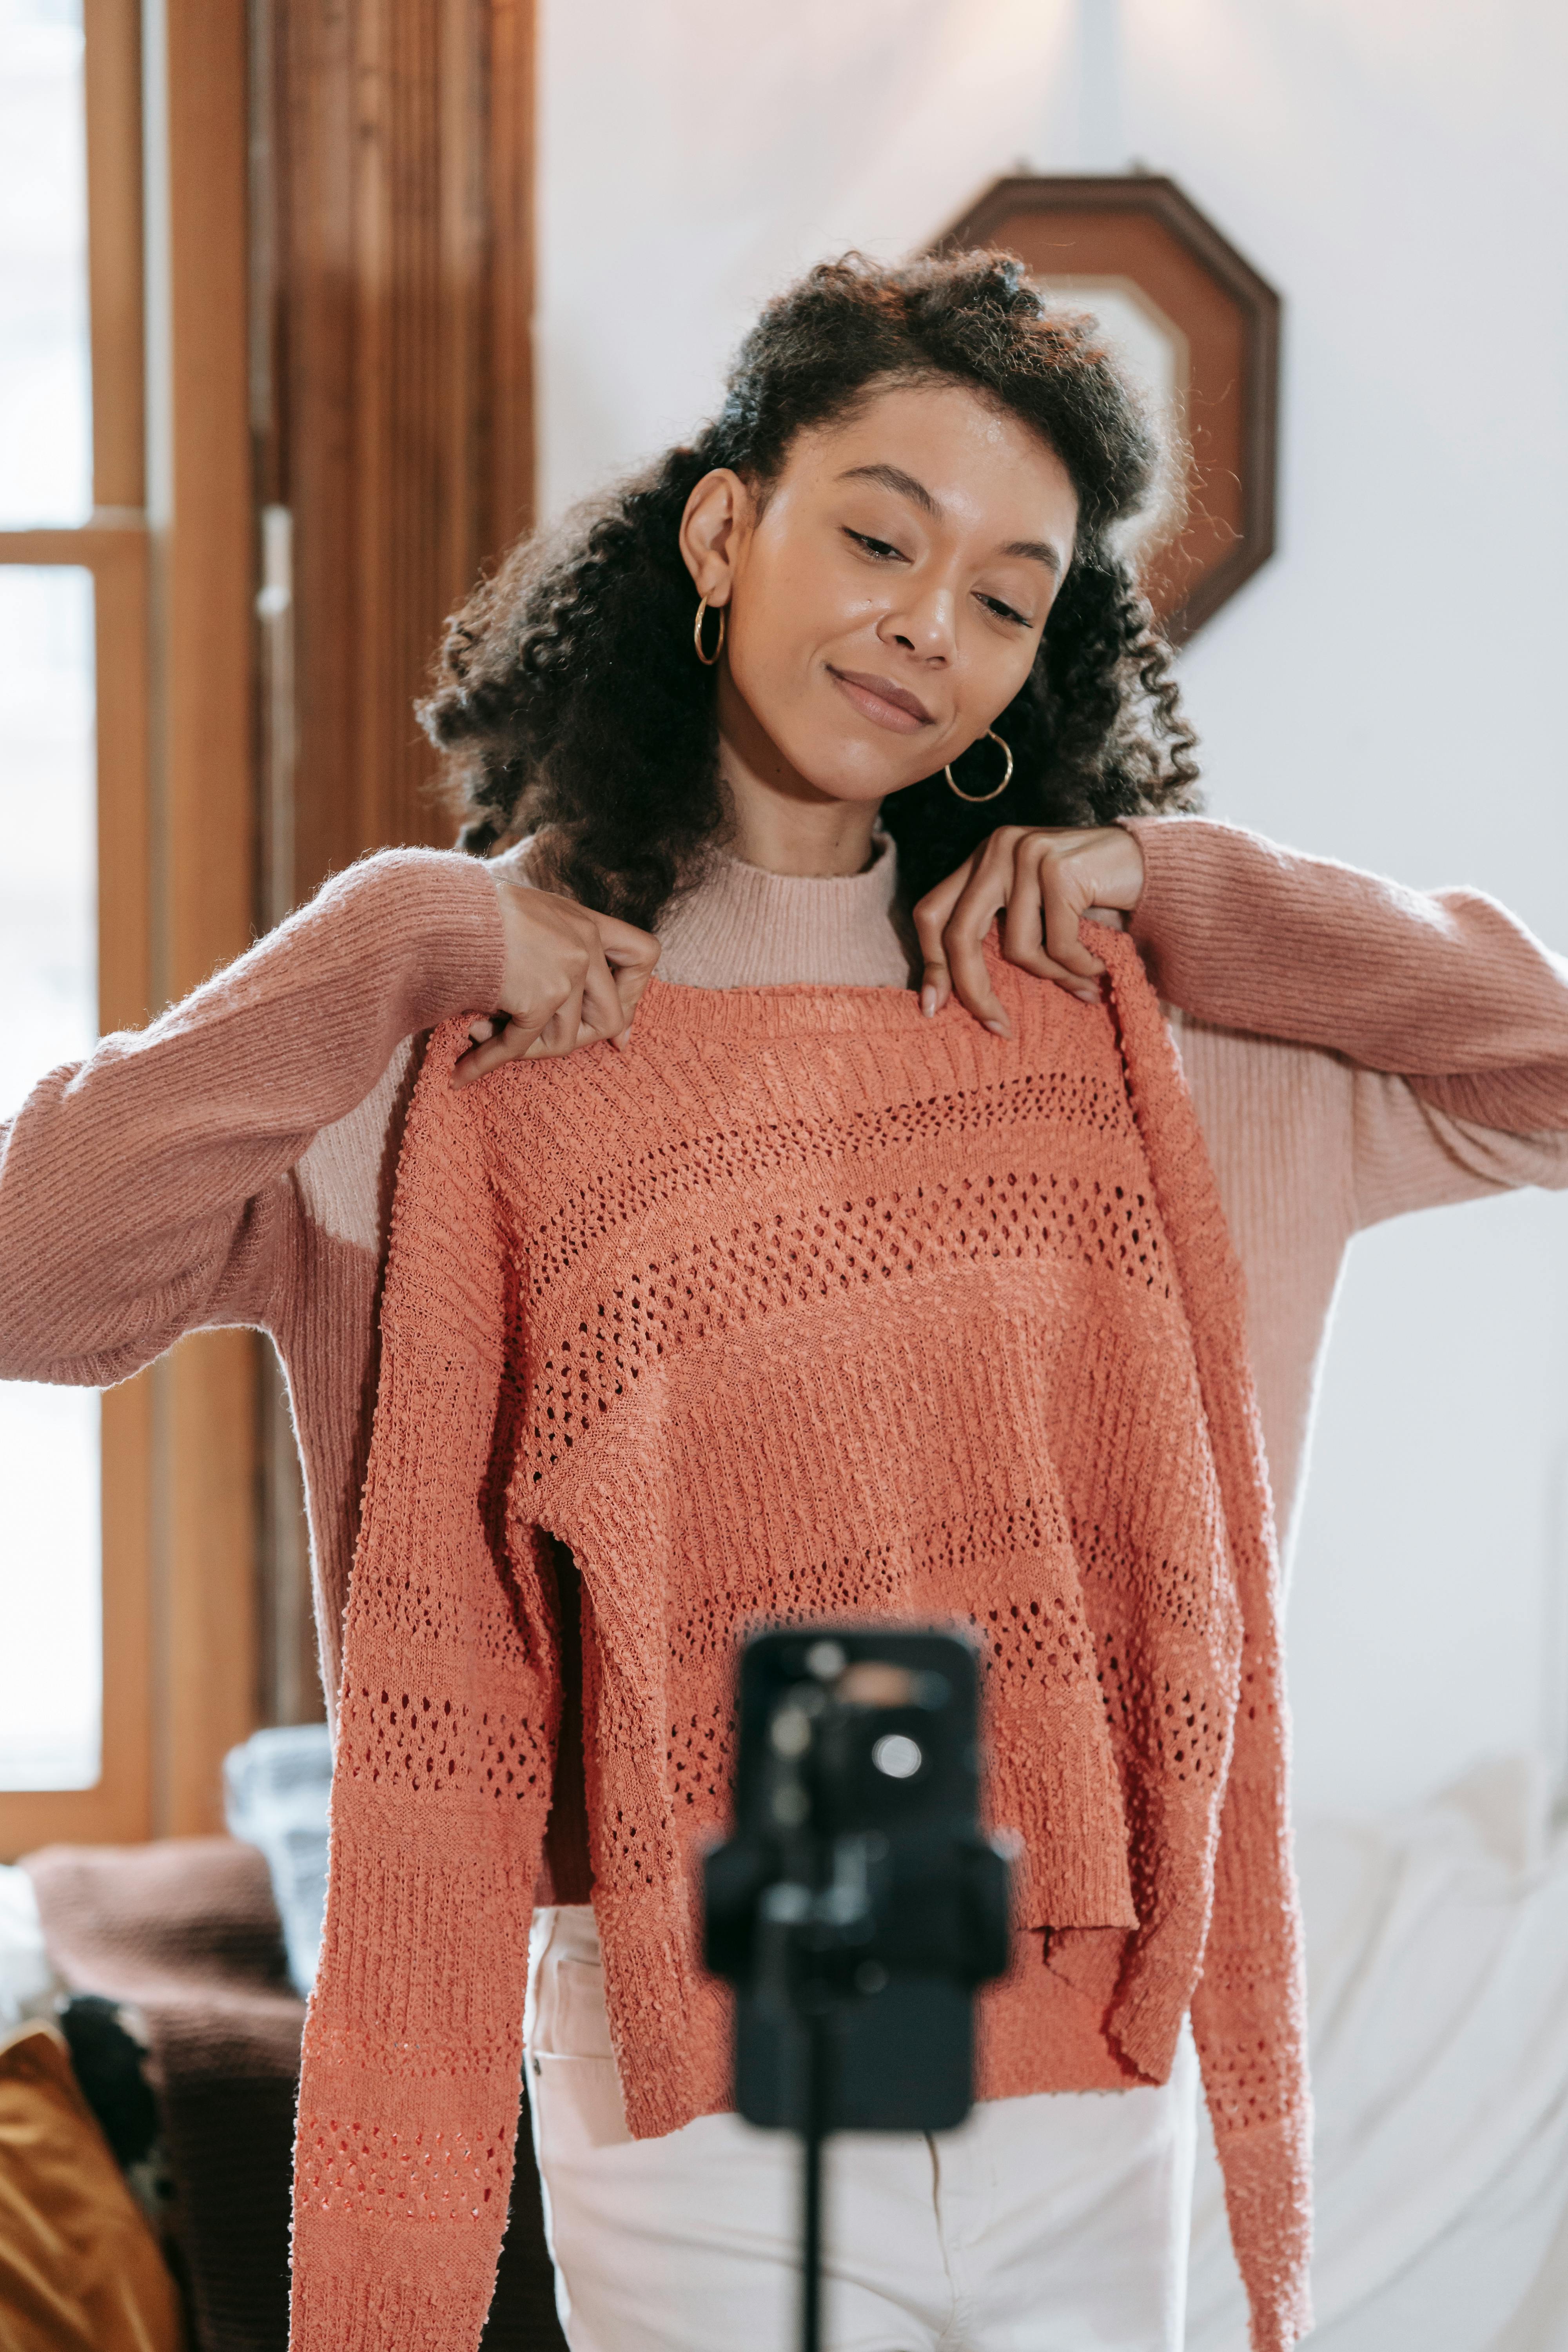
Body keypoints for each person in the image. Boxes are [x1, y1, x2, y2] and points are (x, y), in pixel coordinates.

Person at [3, 252, 1566, 2352]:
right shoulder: (464, 1049)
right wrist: (388, 935)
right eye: (879, 535)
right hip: (682, 2111)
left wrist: (1193, 891)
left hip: (1096, 2073)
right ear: (728, 529)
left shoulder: (1136, 1029)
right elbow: (32, 1271)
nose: (933, 624)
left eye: (1010, 595)